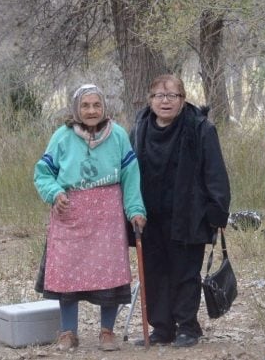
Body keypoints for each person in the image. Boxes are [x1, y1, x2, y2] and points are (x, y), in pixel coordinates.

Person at [33, 84, 147, 352]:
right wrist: (55, 193)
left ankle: (107, 332)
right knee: (67, 274)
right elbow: (42, 173)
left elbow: (131, 177)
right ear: (76, 109)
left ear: (104, 107)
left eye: (96, 105)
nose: (92, 110)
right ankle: (68, 332)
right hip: (70, 213)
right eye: (85, 105)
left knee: (109, 274)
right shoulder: (62, 137)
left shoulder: (117, 135)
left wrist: (136, 209)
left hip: (107, 217)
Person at [130, 74, 231, 348]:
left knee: (185, 272)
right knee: (154, 271)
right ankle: (162, 328)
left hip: (188, 213)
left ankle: (188, 326)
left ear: (183, 99)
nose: (165, 101)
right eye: (159, 96)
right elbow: (128, 171)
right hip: (149, 214)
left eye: (172, 96)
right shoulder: (139, 128)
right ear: (150, 101)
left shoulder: (200, 128)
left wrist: (217, 211)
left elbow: (215, 173)